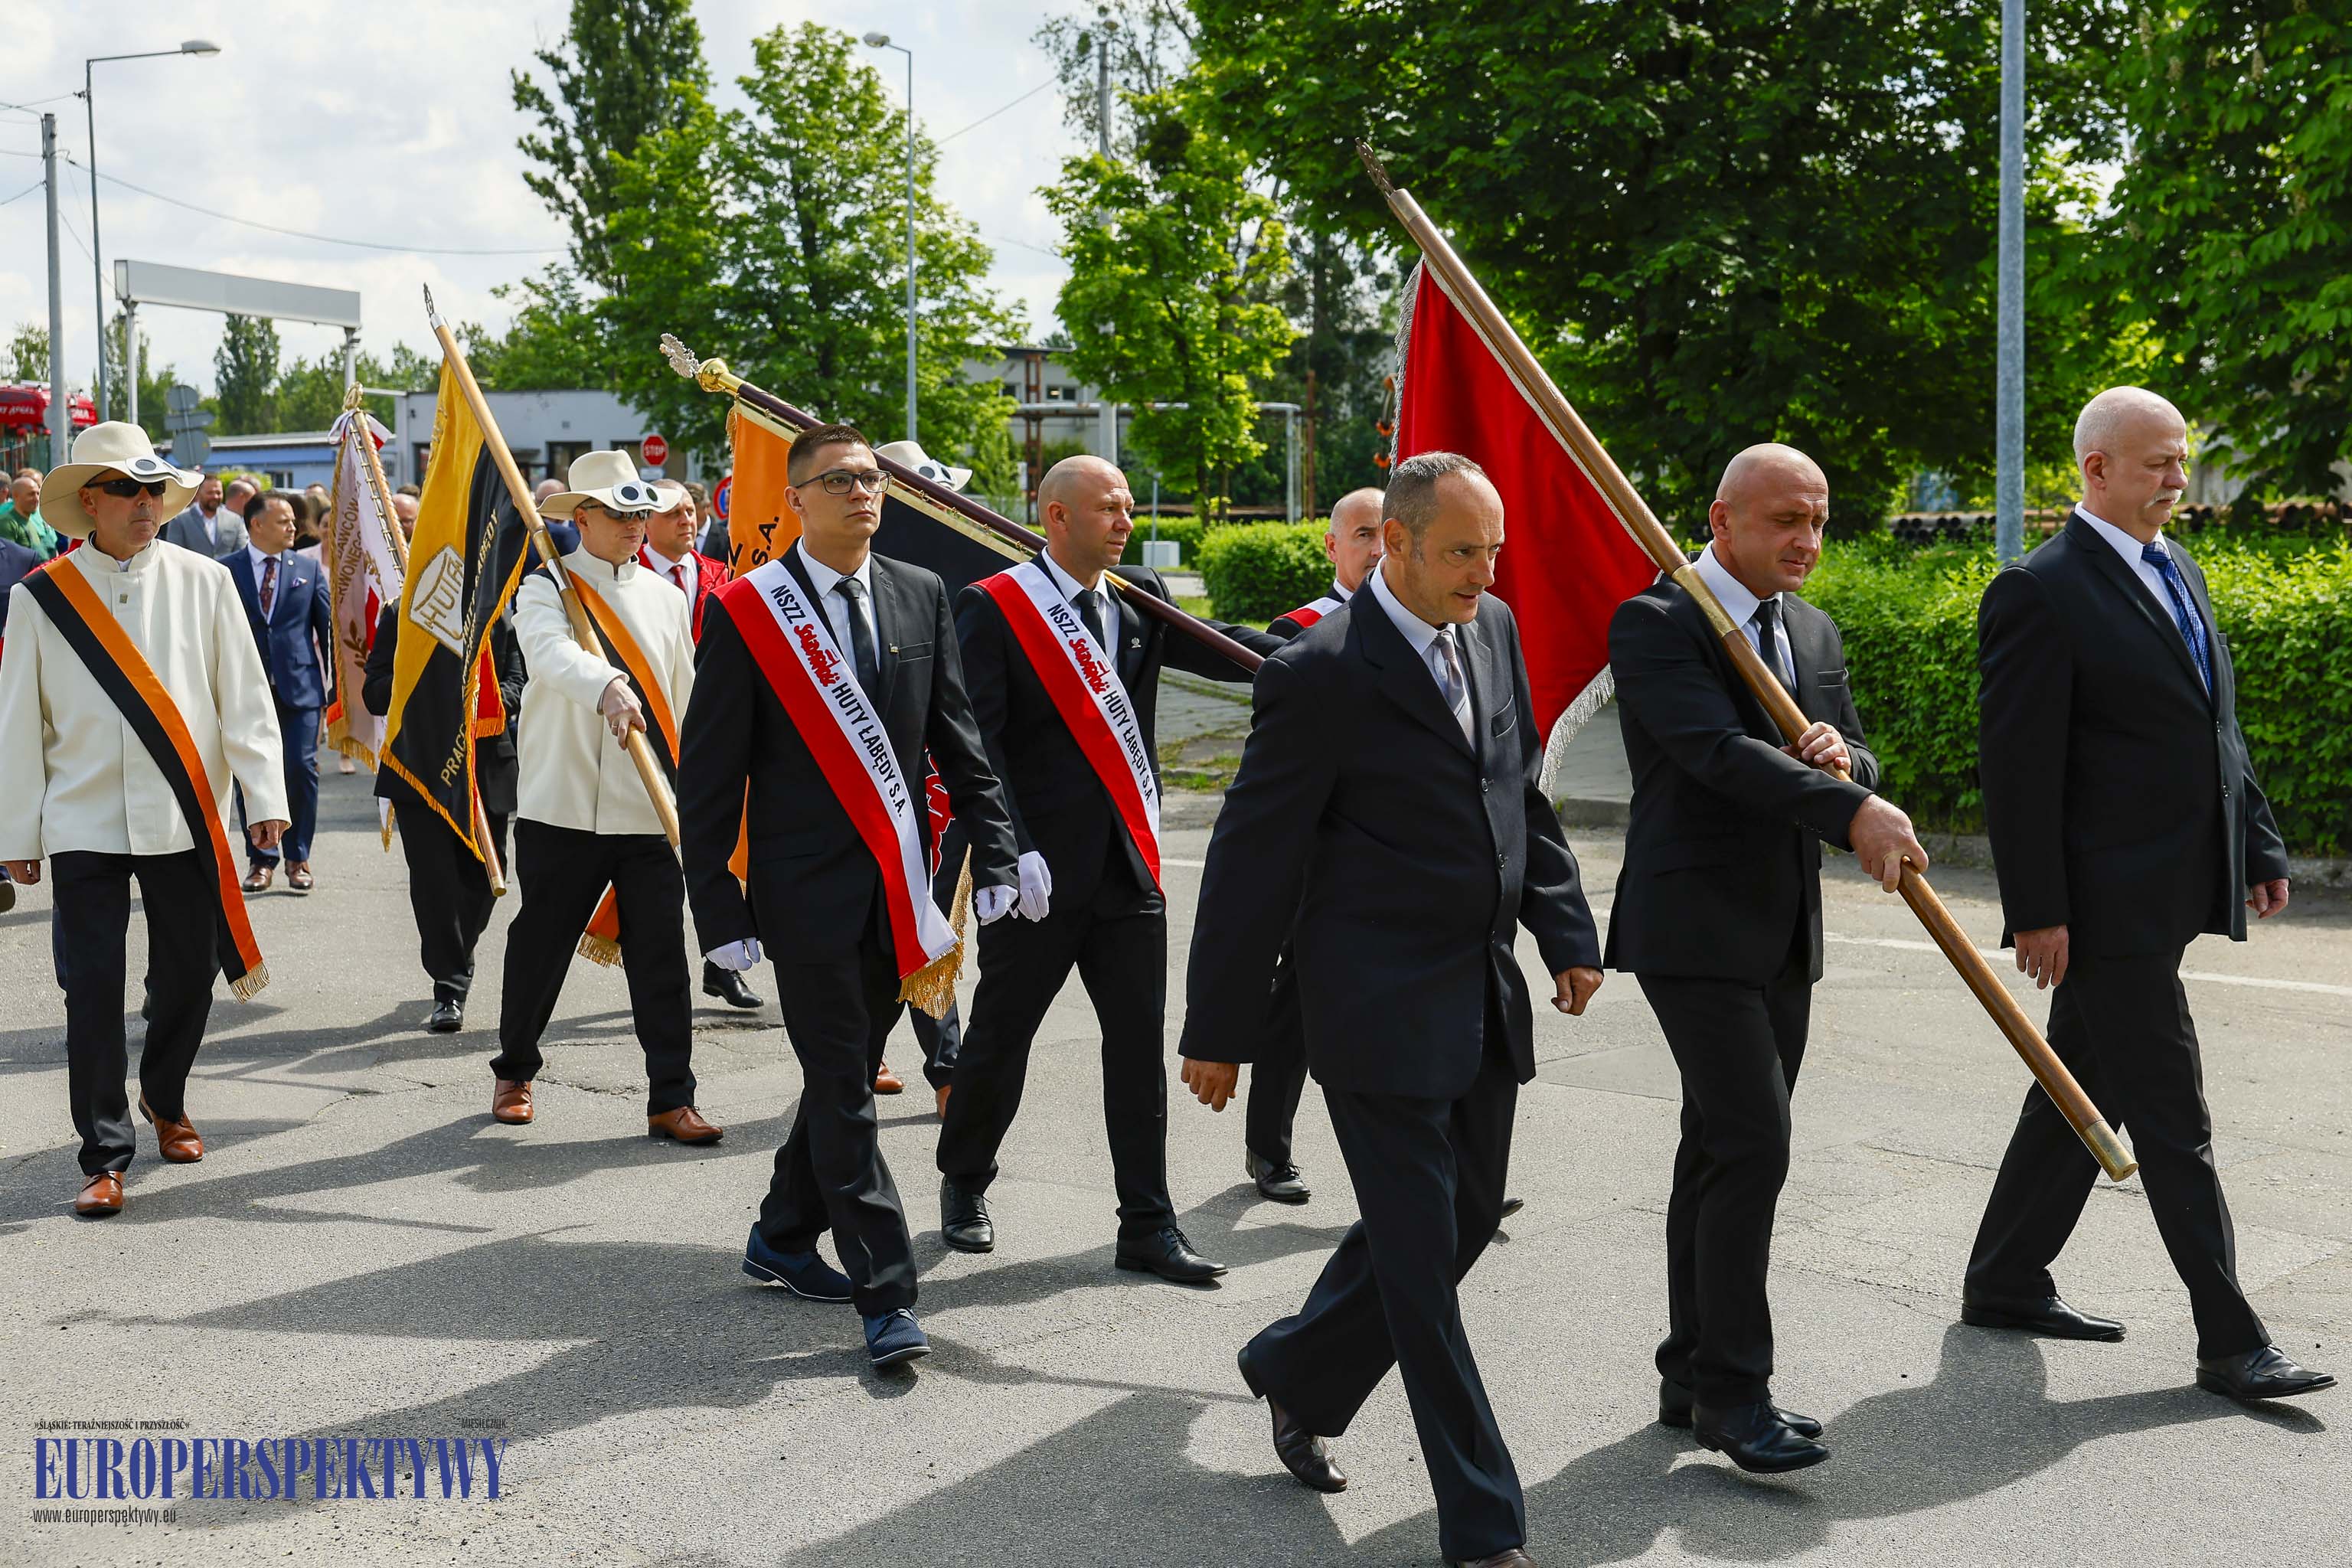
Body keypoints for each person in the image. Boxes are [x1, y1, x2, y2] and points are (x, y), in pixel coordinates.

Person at [1177, 452, 1603, 1568]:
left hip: (1481, 992)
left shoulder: (1491, 626)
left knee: (1462, 1221)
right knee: (1421, 1276)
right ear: (1396, 545)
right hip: (1371, 1009)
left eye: (1492, 551)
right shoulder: (1320, 672)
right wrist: (1219, 1029)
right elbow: (1252, 858)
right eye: (1462, 552)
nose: (1484, 572)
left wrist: (1565, 927)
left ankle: (1295, 1366)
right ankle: (1485, 1525)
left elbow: (1515, 789)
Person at [1961, 387, 2332, 1403]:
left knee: (2083, 1081)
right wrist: (2038, 908)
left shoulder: (2179, 567)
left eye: (2181, 457)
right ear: (2097, 469)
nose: (2179, 477)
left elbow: (2217, 724)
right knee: (2174, 1111)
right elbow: (2018, 770)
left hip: (2171, 882)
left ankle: (2004, 1276)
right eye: (2160, 461)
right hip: (2105, 902)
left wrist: (2256, 841)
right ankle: (2231, 1341)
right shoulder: (2039, 590)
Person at [1606, 443, 1927, 1473]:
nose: (1807, 539)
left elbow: (1860, 750)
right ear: (1722, 520)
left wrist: (1844, 759)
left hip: (1784, 928)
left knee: (1717, 1147)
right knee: (1755, 1142)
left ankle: (1689, 1370)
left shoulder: (1812, 628)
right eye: (1787, 519)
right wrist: (1849, 807)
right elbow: (1713, 753)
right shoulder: (1659, 621)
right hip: (1691, 926)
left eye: (1818, 520)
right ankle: (1736, 1397)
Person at [678, 422, 1019, 1369]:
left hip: (899, 885)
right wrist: (718, 907)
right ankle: (887, 1293)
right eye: (838, 480)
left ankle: (782, 1232)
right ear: (795, 499)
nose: (863, 492)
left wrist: (996, 854)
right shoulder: (749, 610)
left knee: (844, 1076)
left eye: (871, 478)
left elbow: (958, 740)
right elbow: (709, 775)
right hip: (803, 896)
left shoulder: (920, 591)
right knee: (843, 1085)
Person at [935, 455, 1282, 1284]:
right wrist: (1007, 850)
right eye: (1109, 508)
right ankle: (964, 1179)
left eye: (1129, 506)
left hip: (1128, 870)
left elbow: (1225, 648)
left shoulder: (1136, 598)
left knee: (1134, 1048)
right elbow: (977, 748)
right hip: (1037, 877)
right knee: (1001, 1040)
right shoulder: (997, 606)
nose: (1126, 521)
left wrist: (1319, 655)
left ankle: (1148, 1223)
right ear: (1055, 516)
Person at [0, 423, 286, 1217]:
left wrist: (265, 798)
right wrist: (16, 835)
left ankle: (165, 1096)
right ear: (89, 501)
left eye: (153, 488)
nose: (144, 503)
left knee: (188, 978)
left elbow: (245, 698)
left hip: (183, 812)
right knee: (91, 989)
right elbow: (19, 725)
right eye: (126, 489)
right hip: (83, 818)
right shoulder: (40, 597)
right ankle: (104, 1152)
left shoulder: (206, 582)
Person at [489, 450, 720, 1146]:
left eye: (640, 513)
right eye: (619, 514)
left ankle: (672, 1097)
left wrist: (702, 785)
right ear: (582, 517)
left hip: (645, 805)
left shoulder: (666, 597)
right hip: (561, 804)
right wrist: (608, 684)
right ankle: (515, 1069)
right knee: (541, 946)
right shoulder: (546, 586)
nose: (634, 525)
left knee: (662, 957)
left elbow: (684, 697)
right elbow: (547, 654)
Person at [1240, 483, 1388, 1205]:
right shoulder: (1300, 629)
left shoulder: (1430, 622)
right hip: (1321, 850)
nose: (1379, 549)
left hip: (1397, 850)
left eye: (1389, 533)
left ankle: (1453, 1164)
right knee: (1297, 1004)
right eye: (1363, 535)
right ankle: (1269, 1149)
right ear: (1332, 546)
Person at [872, 438, 984, 1111]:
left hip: (960, 767)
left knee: (933, 918)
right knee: (907, 919)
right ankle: (941, 1067)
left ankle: (939, 1066)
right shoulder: (871, 575)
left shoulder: (973, 565)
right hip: (886, 776)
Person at [362, 599, 525, 1032]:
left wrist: (481, 698)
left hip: (485, 766)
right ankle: (449, 986)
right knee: (435, 883)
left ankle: (457, 955)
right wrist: (423, 684)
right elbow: (374, 691)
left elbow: (517, 681)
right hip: (419, 768)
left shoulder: (495, 610)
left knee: (486, 878)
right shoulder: (401, 613)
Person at [639, 476, 757, 1012]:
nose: (688, 520)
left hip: (715, 733)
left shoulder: (720, 575)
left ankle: (722, 964)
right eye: (674, 513)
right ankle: (659, 977)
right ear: (646, 522)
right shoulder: (628, 576)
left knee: (723, 850)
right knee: (660, 865)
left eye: (691, 510)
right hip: (651, 735)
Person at [223, 489, 332, 894]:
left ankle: (298, 856)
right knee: (251, 773)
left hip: (300, 688)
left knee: (301, 769)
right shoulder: (224, 571)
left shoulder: (308, 568)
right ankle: (261, 859)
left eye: (293, 520)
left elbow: (327, 630)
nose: (293, 527)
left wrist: (334, 690)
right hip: (244, 689)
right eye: (284, 520)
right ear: (257, 524)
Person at [162, 472, 248, 555]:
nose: (215, 496)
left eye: (218, 493)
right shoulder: (180, 520)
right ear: (198, 494)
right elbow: (175, 553)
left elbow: (241, 552)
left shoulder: (235, 520)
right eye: (210, 493)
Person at [0, 471, 59, 558]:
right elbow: (8, 559)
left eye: (38, 493)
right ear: (16, 496)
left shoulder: (30, 522)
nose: (36, 499)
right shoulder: (7, 523)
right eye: (31, 494)